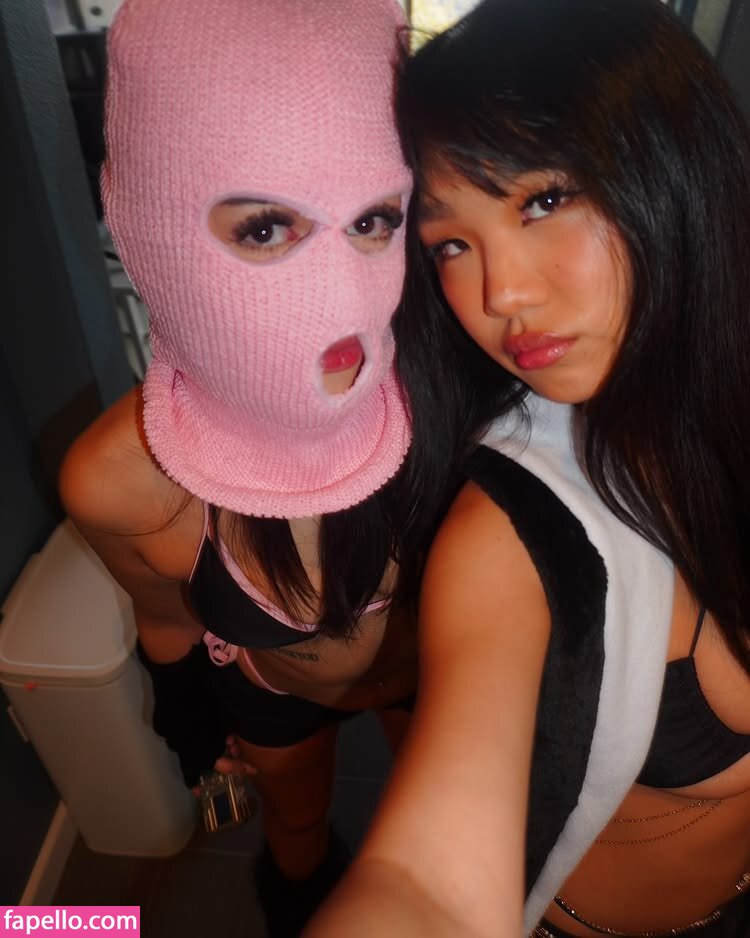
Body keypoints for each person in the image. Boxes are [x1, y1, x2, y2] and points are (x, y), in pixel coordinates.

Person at [304, 0, 750, 935]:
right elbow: (426, 888)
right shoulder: (509, 531)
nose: (500, 293)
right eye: (450, 245)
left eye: (544, 200)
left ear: (676, 168)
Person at [58, 1, 416, 935]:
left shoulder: (452, 394)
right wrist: (189, 722)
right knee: (296, 830)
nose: (340, 296)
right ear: (153, 230)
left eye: (374, 219)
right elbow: (166, 616)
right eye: (264, 229)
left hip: (428, 677)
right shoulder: (119, 479)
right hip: (275, 699)